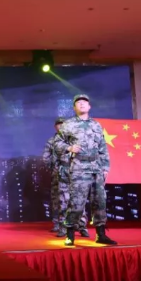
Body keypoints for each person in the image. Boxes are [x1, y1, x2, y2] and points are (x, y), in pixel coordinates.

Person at [55, 94, 117, 246]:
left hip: (96, 169)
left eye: (84, 102)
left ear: (89, 107)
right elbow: (57, 143)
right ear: (74, 108)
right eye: (78, 103)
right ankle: (70, 235)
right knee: (76, 203)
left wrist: (105, 167)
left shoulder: (96, 125)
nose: (82, 104)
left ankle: (101, 235)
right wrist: (69, 147)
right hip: (78, 169)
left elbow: (102, 147)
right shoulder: (68, 125)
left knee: (100, 202)